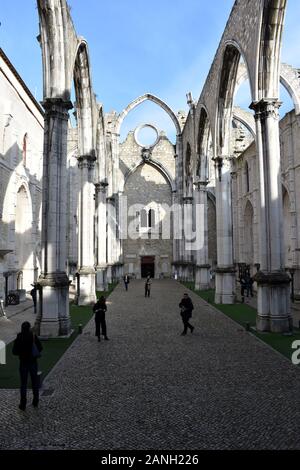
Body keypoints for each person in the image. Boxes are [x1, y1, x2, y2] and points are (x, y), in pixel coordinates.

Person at [12, 321, 43, 411]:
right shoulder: (32, 336)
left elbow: (14, 351)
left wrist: (21, 353)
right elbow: (40, 348)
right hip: (33, 362)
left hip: (23, 363)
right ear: (29, 328)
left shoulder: (19, 336)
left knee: (23, 384)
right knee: (35, 382)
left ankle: (23, 404)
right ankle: (35, 401)